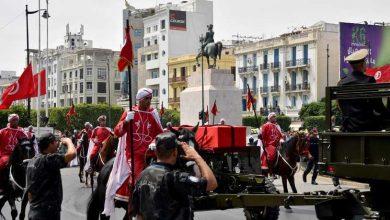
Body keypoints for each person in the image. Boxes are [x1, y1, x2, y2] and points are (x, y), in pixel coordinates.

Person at [103, 88, 163, 216]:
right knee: (138, 179)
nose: (149, 101)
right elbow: (117, 133)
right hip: (134, 155)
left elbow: (160, 133)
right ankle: (135, 207)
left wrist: (156, 142)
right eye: (147, 99)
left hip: (151, 153)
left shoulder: (153, 113)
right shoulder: (130, 112)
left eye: (150, 99)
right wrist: (125, 122)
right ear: (140, 99)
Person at [131, 132, 218, 220]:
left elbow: (139, 215)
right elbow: (211, 183)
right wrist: (197, 157)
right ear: (175, 152)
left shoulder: (142, 176)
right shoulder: (174, 177)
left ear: (156, 151)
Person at [26, 133, 76, 220]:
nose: (57, 144)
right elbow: (72, 154)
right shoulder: (48, 160)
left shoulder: (31, 161)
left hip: (33, 212)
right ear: (50, 144)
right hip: (48, 214)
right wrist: (69, 142)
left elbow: (29, 193)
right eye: (55, 142)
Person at [338, 49, 388, 132]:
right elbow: (378, 106)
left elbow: (342, 107)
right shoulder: (369, 81)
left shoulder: (341, 83)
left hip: (349, 126)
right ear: (362, 64)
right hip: (367, 125)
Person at [0, 114, 28, 191]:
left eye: (16, 120)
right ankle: (2, 184)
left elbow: (27, 141)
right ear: (10, 121)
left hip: (20, 154)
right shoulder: (3, 131)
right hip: (6, 154)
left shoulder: (21, 131)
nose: (16, 121)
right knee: (4, 163)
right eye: (14, 120)